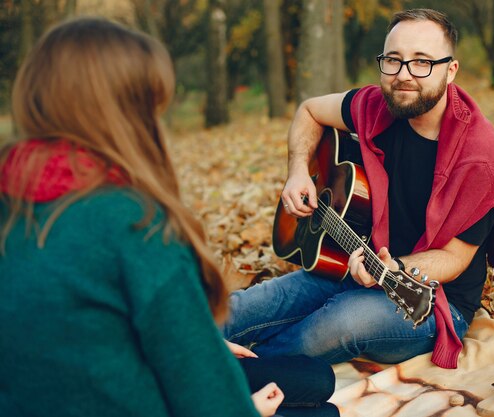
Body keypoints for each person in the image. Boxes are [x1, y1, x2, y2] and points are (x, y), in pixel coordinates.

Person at [0, 17, 337, 417]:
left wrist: (195, 339)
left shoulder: (13, 197)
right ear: (128, 116)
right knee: (322, 409)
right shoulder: (134, 223)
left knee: (317, 378)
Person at [224, 8, 494, 370]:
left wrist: (392, 267)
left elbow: (454, 259)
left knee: (340, 322)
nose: (403, 75)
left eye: (422, 62)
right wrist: (299, 171)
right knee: (246, 307)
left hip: (426, 298)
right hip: (349, 263)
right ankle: (165, 353)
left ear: (451, 70)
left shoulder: (479, 156)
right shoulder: (377, 105)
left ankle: (228, 376)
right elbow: (309, 110)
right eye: (393, 60)